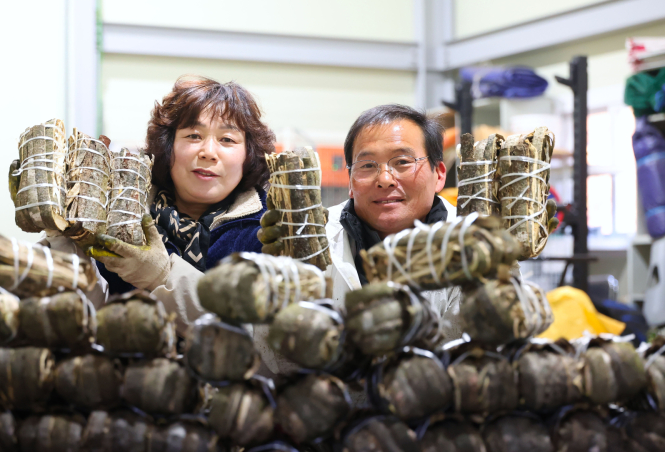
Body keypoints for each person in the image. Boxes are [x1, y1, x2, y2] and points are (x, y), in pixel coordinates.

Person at [87, 76, 276, 334]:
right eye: (194, 135)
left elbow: (256, 335)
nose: (209, 152)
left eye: (227, 139)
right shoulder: (120, 214)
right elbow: (82, 315)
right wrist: (64, 241)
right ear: (168, 146)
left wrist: (163, 277)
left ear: (248, 155)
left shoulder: (269, 234)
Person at [259, 104, 462, 338]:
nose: (385, 179)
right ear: (350, 182)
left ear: (439, 174)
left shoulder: (474, 240)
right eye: (367, 165)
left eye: (402, 162)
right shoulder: (313, 236)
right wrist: (280, 280)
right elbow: (274, 346)